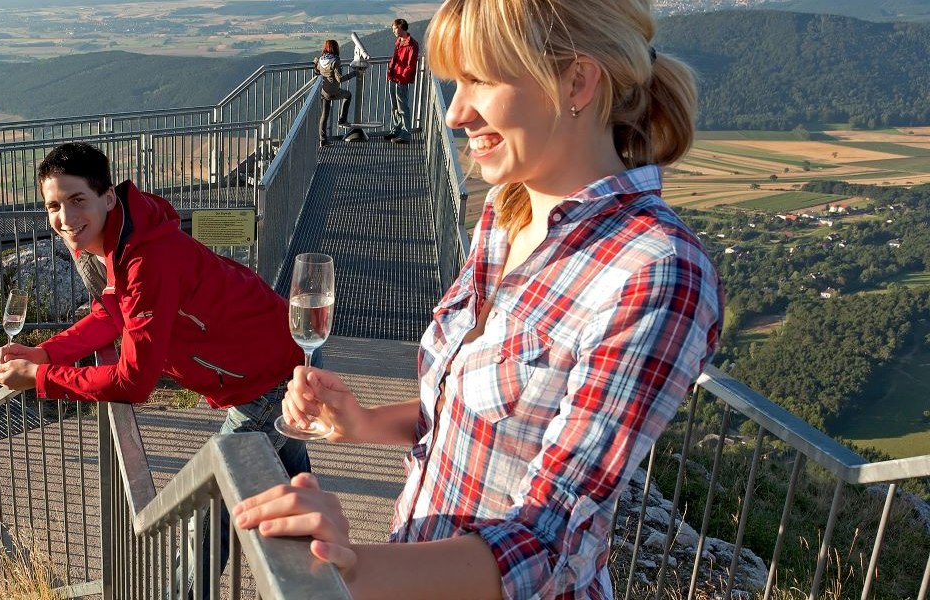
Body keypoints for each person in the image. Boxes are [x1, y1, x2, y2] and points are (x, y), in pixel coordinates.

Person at [231, 0, 723, 598]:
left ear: (578, 81)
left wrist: (353, 567)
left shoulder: (654, 273)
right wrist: (361, 422)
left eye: (481, 80)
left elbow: (551, 536)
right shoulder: (508, 211)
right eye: (455, 82)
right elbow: (475, 417)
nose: (457, 111)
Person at [0, 142, 310, 480]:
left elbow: (132, 382)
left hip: (270, 379)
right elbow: (108, 316)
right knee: (296, 491)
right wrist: (44, 353)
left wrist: (40, 378)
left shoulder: (146, 261)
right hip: (271, 361)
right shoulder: (103, 243)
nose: (65, 219)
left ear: (109, 198)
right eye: (54, 205)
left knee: (212, 502)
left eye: (77, 200)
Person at [384, 19, 420, 143]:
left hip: (401, 79)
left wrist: (402, 77)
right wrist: (390, 73)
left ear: (400, 27)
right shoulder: (399, 41)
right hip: (393, 77)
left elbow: (411, 64)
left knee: (402, 107)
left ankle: (405, 134)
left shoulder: (412, 44)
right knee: (395, 106)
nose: (393, 31)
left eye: (394, 28)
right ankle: (396, 129)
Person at [315, 39, 355, 147]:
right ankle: (342, 119)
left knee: (324, 115)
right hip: (334, 91)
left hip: (324, 91)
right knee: (348, 95)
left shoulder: (321, 59)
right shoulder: (335, 61)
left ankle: (323, 140)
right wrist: (354, 73)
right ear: (335, 48)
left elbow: (317, 71)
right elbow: (340, 79)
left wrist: (315, 63)